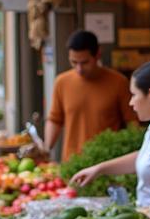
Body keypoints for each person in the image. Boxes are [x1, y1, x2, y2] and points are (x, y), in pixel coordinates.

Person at [71, 61, 150, 205]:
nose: (131, 103)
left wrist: (145, 214)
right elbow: (147, 156)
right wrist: (99, 169)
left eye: (134, 95)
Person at [44, 30, 136, 160]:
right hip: (73, 162)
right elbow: (55, 120)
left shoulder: (119, 82)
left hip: (107, 163)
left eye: (84, 62)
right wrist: (46, 149)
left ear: (98, 54)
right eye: (74, 62)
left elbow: (132, 123)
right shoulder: (62, 82)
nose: (79, 69)